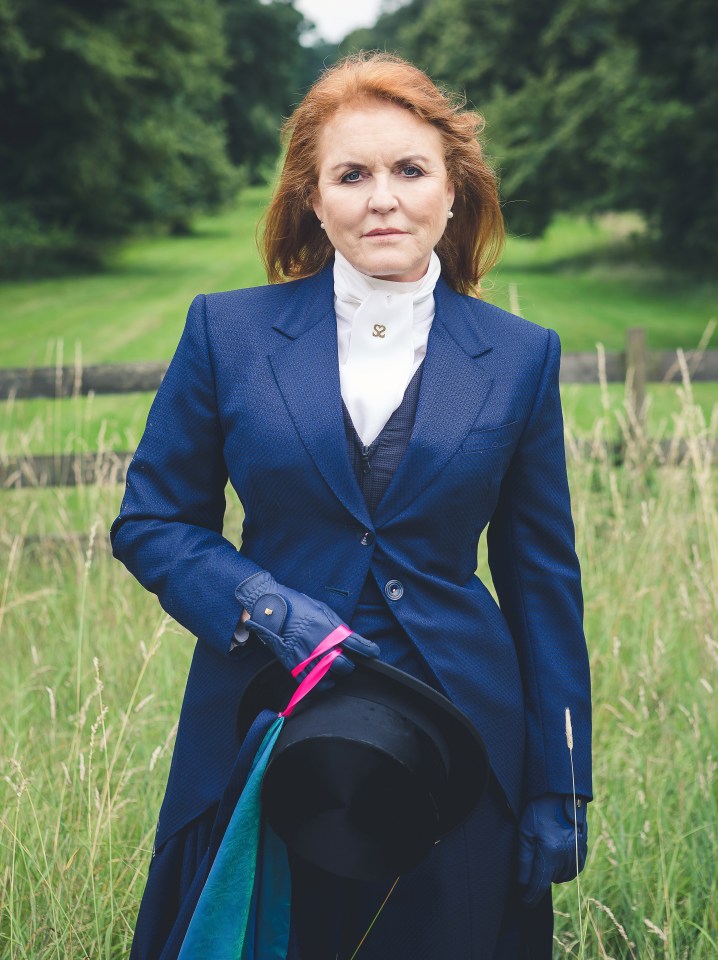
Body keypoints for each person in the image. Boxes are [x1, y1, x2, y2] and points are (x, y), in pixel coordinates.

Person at [111, 51, 592, 960]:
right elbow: (151, 523)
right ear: (313, 199)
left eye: (410, 171)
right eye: (352, 175)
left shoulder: (522, 355)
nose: (383, 198)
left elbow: (542, 581)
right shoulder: (227, 332)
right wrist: (264, 606)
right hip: (266, 712)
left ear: (453, 194)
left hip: (464, 741)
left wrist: (561, 783)